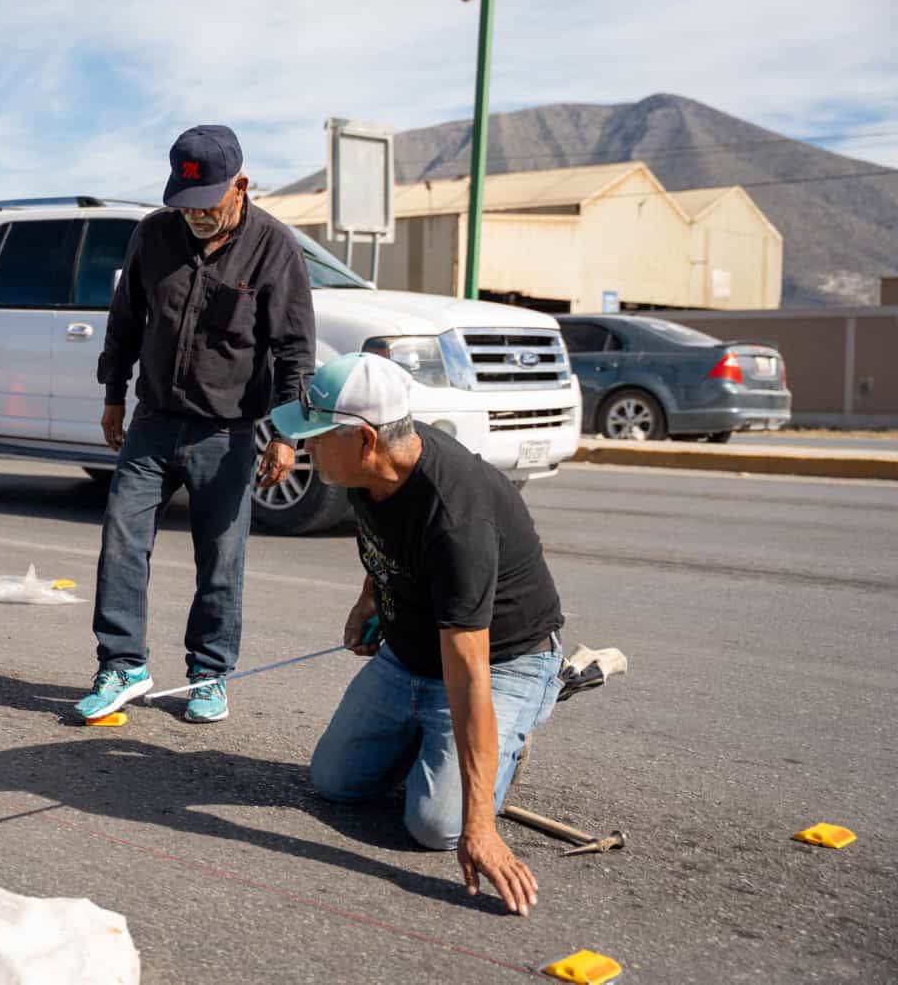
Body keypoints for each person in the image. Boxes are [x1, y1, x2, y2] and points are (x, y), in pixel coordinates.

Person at [269, 352, 565, 916]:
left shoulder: (458, 521)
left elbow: (471, 669)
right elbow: (384, 535)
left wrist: (482, 827)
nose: (305, 447)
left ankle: (519, 720)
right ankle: (442, 744)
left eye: (316, 435)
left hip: (501, 660)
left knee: (437, 827)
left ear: (364, 438)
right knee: (335, 782)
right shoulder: (367, 467)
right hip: (412, 653)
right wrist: (370, 599)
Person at [76, 124, 316, 725]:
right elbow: (126, 318)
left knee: (220, 560)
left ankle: (209, 672)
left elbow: (294, 351)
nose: (196, 217)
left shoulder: (274, 248)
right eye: (185, 205)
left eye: (208, 204)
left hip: (228, 433)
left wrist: (287, 434)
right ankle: (122, 664)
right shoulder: (153, 236)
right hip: (153, 422)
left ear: (241, 185)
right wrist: (113, 395)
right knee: (122, 542)